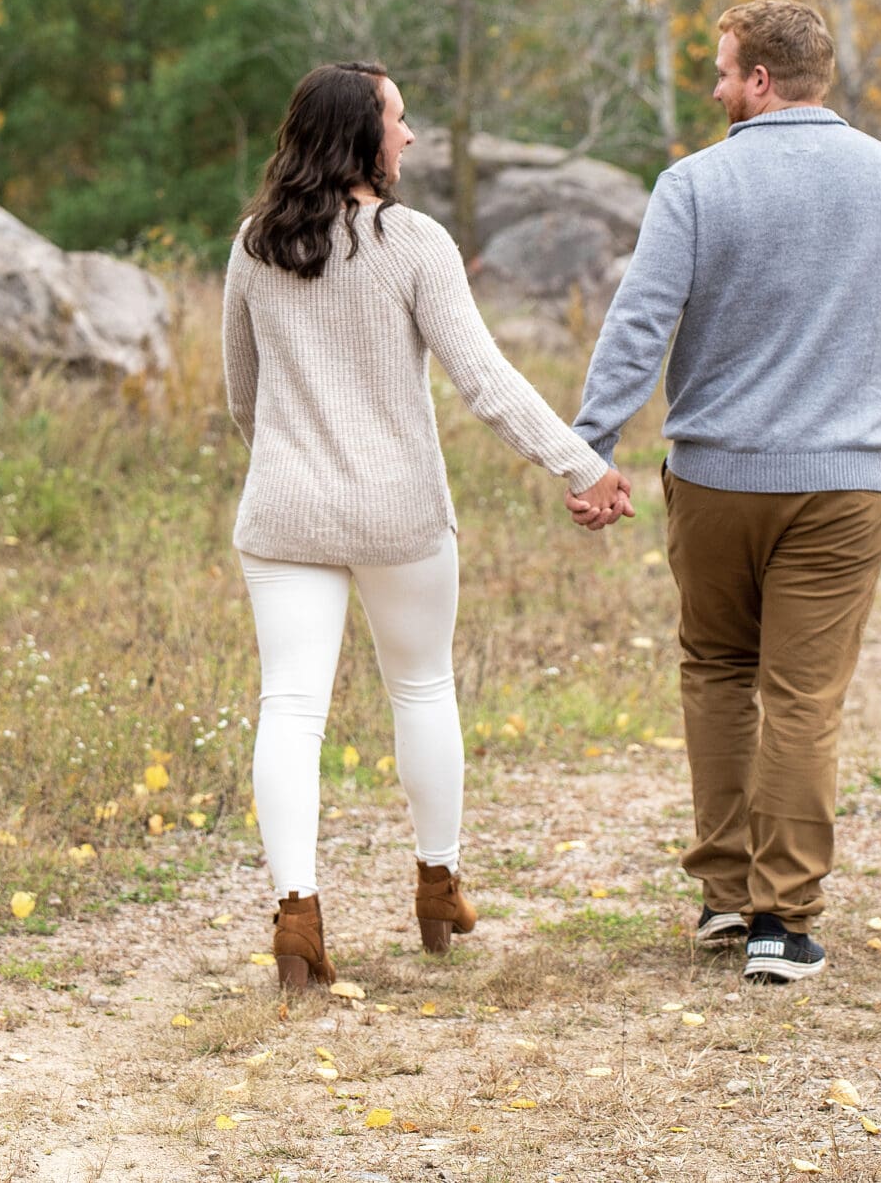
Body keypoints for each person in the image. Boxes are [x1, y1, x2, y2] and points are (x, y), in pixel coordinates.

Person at [223, 60, 634, 989]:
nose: (410, 136)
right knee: (421, 689)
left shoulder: (255, 245)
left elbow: (242, 398)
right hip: (398, 513)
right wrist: (584, 465)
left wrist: (294, 456)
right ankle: (438, 884)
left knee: (289, 706)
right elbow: (485, 382)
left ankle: (297, 913)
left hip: (283, 512)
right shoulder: (412, 243)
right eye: (399, 121)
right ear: (360, 138)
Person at [570, 0, 881, 985]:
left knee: (716, 671)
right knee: (802, 696)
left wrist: (590, 443)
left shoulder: (695, 184)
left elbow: (640, 318)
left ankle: (726, 896)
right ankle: (783, 923)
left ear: (762, 81)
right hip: (843, 483)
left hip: (714, 477)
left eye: (724, 69)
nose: (713, 87)